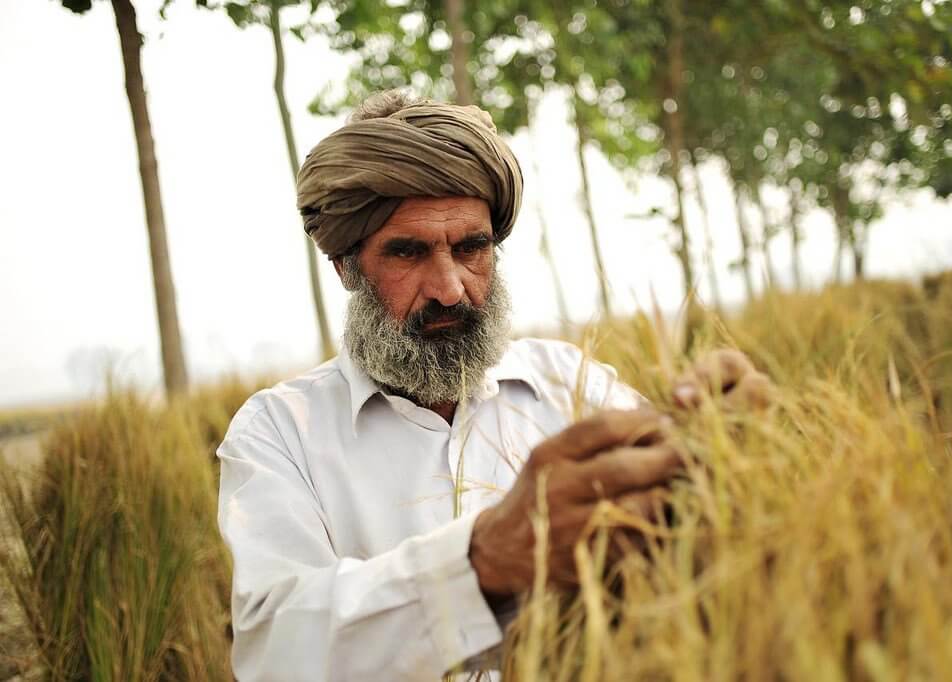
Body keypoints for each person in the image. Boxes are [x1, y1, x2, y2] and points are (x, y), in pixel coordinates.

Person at [216, 90, 772, 681]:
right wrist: (482, 560)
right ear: (346, 267)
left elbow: (694, 536)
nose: (451, 288)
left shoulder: (568, 385)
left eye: (471, 247)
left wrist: (729, 446)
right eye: (408, 252)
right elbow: (275, 648)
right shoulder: (278, 432)